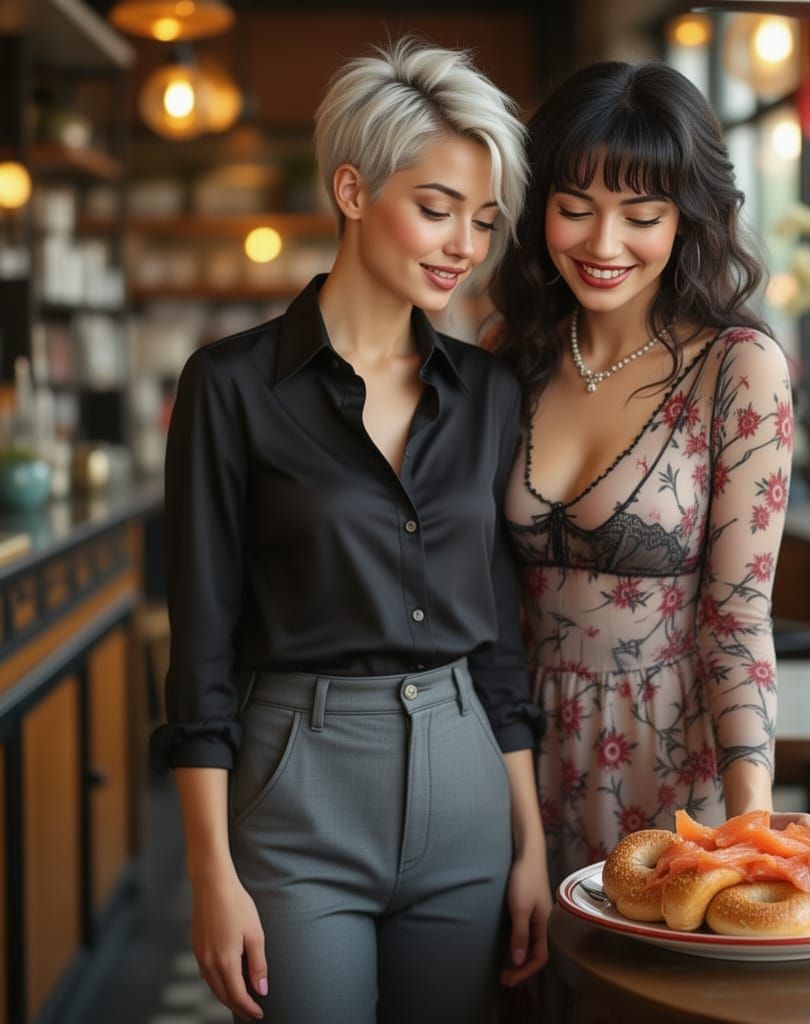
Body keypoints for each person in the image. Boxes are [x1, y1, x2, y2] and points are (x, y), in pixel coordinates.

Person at [151, 38, 550, 1024]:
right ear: (353, 189)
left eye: (485, 220)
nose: (464, 244)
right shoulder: (230, 386)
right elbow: (198, 641)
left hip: (466, 782)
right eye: (437, 208)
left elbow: (498, 640)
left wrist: (529, 840)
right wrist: (208, 869)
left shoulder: (491, 393)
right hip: (297, 786)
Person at [492, 60, 810, 888]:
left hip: (667, 764)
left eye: (641, 215)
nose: (603, 246)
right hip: (506, 755)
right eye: (574, 210)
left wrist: (750, 820)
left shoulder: (737, 370)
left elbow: (737, 616)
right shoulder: (510, 355)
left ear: (687, 219)